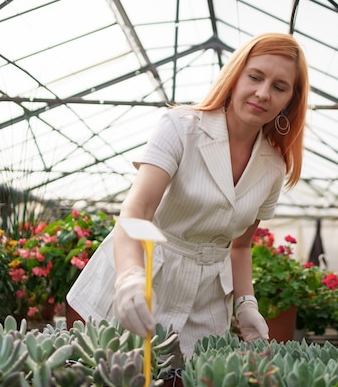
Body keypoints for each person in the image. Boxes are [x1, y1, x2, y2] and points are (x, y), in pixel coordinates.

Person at [66, 32, 310, 357]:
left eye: (279, 87)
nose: (263, 93)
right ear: (235, 76)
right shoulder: (181, 127)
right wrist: (129, 279)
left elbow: (239, 246)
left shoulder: (273, 167)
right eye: (255, 77)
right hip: (144, 274)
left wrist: (246, 304)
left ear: (290, 101)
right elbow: (135, 213)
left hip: (205, 302)